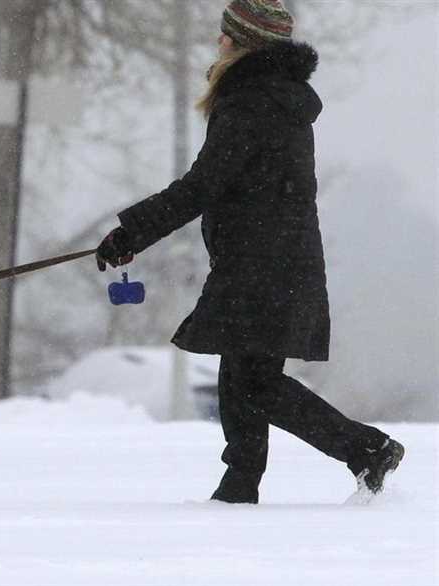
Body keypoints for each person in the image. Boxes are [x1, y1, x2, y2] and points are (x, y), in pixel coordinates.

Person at [95, 0, 403, 504]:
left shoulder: (251, 102)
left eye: (226, 35)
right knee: (243, 377)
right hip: (277, 260)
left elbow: (204, 185)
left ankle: (366, 449)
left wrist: (131, 232)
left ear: (245, 44)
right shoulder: (281, 100)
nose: (218, 42)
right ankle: (240, 485)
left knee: (254, 383)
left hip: (260, 264)